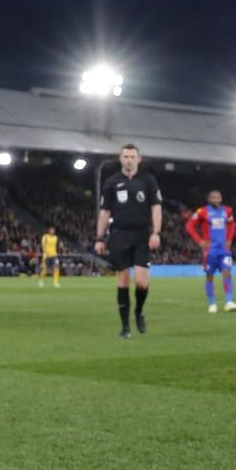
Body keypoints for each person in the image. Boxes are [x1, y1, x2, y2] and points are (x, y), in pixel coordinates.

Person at [94, 143, 162, 338]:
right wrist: (99, 237)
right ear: (120, 159)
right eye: (126, 156)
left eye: (133, 157)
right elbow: (105, 212)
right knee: (122, 281)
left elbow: (156, 208)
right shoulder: (112, 182)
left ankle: (139, 311)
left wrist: (155, 232)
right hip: (119, 235)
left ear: (139, 159)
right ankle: (125, 328)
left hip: (142, 235)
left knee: (141, 281)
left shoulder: (148, 181)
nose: (129, 160)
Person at [185, 190, 236, 314]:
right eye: (213, 197)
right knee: (210, 277)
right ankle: (212, 304)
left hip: (224, 250)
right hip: (210, 251)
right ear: (209, 199)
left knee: (227, 273)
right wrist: (199, 241)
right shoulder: (202, 211)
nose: (216, 199)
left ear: (221, 198)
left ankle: (229, 302)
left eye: (218, 197)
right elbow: (189, 226)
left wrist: (229, 239)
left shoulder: (227, 210)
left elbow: (231, 225)